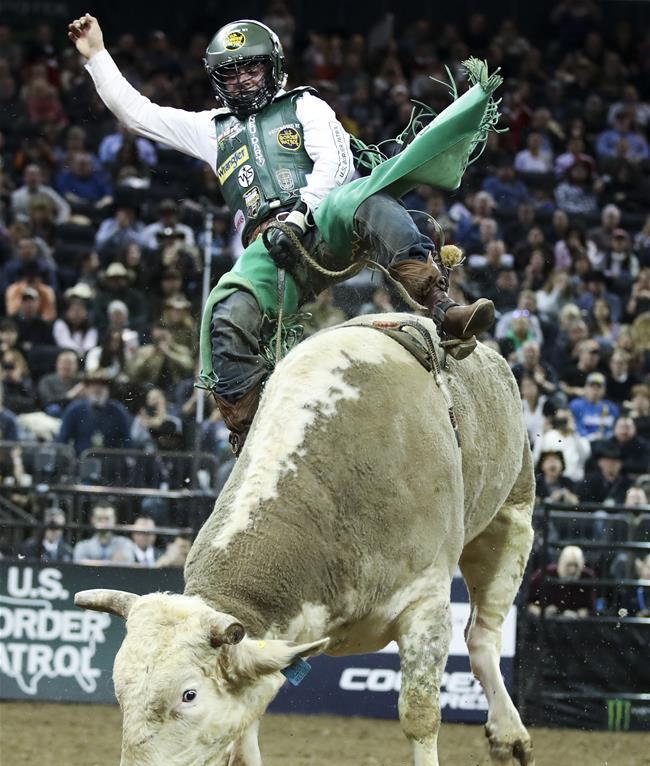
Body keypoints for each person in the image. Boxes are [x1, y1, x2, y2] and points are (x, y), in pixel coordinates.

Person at [69, 14, 499, 452]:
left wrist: (299, 215)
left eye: (250, 68)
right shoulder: (212, 129)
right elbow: (138, 114)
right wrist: (97, 56)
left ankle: (443, 310)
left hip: (324, 222)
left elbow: (334, 162)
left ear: (273, 66)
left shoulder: (305, 104)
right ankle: (250, 429)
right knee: (224, 310)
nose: (241, 81)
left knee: (364, 201)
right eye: (229, 73)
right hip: (269, 250)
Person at [58, 372, 132, 454]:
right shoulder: (75, 409)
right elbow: (62, 439)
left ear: (108, 390)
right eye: (92, 385)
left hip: (110, 463)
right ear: (86, 389)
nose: (97, 389)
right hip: (81, 462)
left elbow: (127, 440)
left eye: (102, 385)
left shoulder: (118, 410)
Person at [527, 545, 596, 617]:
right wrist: (542, 612)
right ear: (561, 563)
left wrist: (577, 614)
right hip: (546, 624)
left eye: (576, 565)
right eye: (569, 565)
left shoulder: (587, 577)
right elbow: (528, 603)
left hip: (577, 624)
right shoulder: (543, 575)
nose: (572, 570)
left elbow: (590, 609)